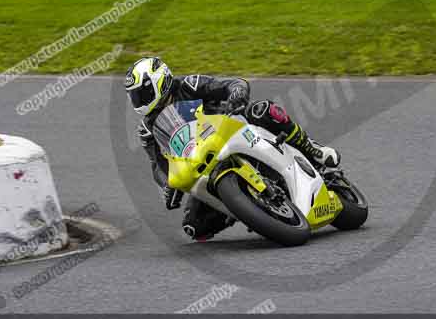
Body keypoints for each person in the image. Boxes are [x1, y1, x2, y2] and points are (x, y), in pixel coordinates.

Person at [125, 56, 340, 241]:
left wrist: (237, 94)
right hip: (202, 162)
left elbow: (232, 84)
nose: (138, 100)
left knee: (262, 110)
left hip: (233, 127)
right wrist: (167, 185)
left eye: (141, 93)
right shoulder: (147, 129)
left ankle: (312, 148)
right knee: (195, 227)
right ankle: (244, 208)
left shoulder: (189, 85)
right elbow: (158, 165)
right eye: (134, 95)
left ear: (158, 82)